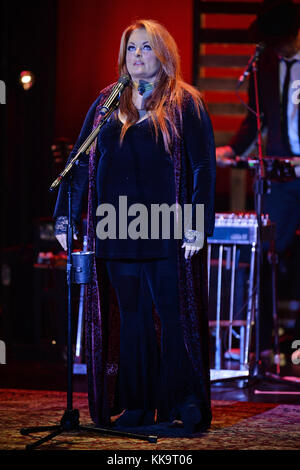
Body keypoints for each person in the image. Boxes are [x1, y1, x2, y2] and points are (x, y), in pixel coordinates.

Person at [54, 19, 216, 434]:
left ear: (163, 54)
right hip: (115, 227)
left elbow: (202, 167)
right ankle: (138, 406)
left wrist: (198, 222)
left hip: (166, 229)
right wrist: (64, 216)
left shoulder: (185, 103)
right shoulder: (107, 103)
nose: (137, 56)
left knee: (173, 316)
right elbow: (79, 162)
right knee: (133, 320)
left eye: (146, 48)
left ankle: (184, 401)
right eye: (131, 49)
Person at [216, 1, 300, 354]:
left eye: (283, 41)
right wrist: (234, 151)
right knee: (269, 250)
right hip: (283, 171)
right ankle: (263, 342)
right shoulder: (265, 64)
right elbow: (257, 118)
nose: (280, 49)